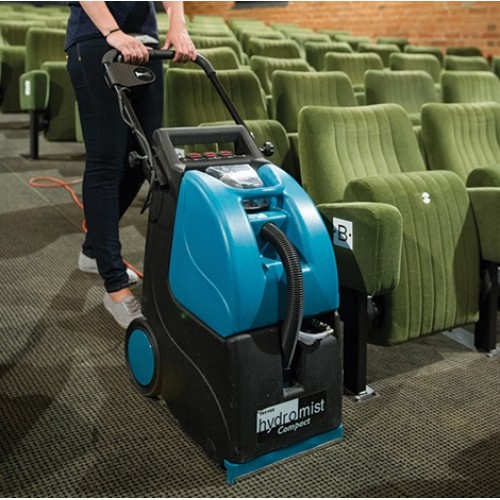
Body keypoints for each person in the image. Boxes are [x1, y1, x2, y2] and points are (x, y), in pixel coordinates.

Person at [65, 2, 196, 328]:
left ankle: (93, 251)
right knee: (106, 162)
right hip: (97, 40)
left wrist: (178, 25)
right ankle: (115, 286)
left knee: (144, 160)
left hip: (145, 45)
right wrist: (113, 31)